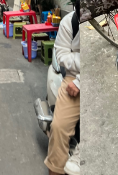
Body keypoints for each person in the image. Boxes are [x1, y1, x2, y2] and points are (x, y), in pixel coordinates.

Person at [45, 9, 81, 175]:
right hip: (72, 79)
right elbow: (62, 56)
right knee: (59, 127)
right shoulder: (70, 22)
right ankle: (55, 170)